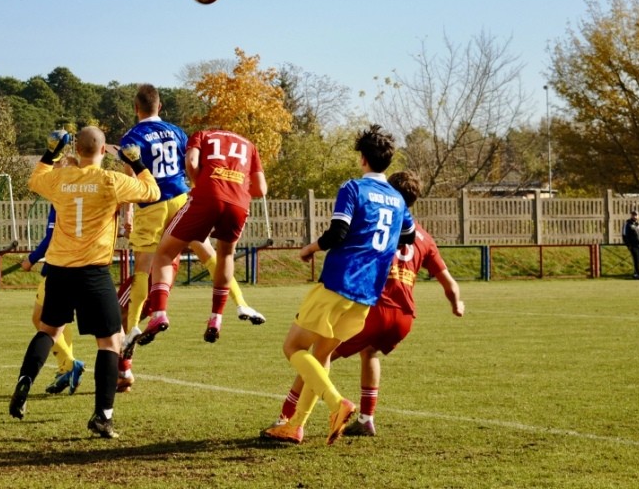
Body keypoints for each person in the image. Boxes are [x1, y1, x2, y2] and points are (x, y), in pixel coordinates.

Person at [264, 170, 462, 441]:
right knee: (365, 354)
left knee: (311, 354)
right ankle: (364, 418)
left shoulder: (369, 211)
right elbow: (447, 280)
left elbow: (340, 233)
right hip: (403, 314)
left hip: (365, 298)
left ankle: (292, 415)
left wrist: (312, 248)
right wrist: (457, 303)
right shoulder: (422, 237)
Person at [261, 124, 415, 446]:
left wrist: (309, 249)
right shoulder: (399, 201)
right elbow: (409, 236)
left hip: (338, 282)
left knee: (293, 348)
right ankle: (296, 426)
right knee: (321, 355)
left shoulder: (353, 188)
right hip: (367, 294)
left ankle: (336, 403)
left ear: (362, 158)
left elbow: (337, 235)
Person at [8, 126, 160, 439]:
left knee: (49, 330)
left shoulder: (61, 178)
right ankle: (102, 416)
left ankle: (24, 380)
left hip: (60, 269)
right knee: (110, 342)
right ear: (104, 151)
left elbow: (35, 178)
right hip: (93, 271)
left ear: (75, 151)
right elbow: (152, 192)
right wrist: (138, 162)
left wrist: (51, 153)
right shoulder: (112, 181)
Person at [114, 85, 264, 391]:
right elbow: (190, 163)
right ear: (161, 105)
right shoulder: (177, 131)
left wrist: (126, 214)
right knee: (210, 251)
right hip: (182, 196)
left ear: (136, 107)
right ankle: (240, 301)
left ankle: (133, 329)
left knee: (145, 265)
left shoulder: (132, 137)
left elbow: (131, 178)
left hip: (151, 200)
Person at [122, 126, 266, 351]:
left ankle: (149, 319)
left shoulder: (202, 135)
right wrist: (234, 185)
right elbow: (261, 188)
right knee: (221, 255)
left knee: (159, 257)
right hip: (231, 200)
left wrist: (204, 184)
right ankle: (224, 313)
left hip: (159, 201)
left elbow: (190, 162)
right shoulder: (248, 144)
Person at [20, 200, 85, 395]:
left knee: (42, 320)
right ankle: (66, 367)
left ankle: (69, 364)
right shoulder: (76, 194)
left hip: (59, 268)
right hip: (80, 265)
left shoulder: (60, 199)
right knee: (58, 320)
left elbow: (51, 237)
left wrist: (30, 260)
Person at [621, 209, 639, 279]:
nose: (635, 216)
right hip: (633, 245)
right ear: (631, 215)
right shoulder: (627, 224)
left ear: (638, 216)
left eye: (636, 215)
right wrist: (628, 245)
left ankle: (636, 273)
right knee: (636, 259)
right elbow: (624, 235)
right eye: (633, 215)